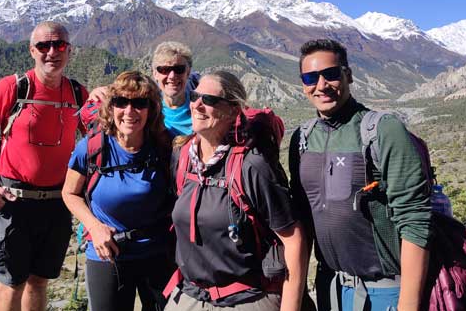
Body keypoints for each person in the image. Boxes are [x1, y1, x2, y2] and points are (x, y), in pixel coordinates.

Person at [289, 39, 432, 311]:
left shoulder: (383, 130)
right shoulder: (302, 138)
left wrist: (408, 305)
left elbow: (414, 219)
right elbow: (302, 219)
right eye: (310, 77)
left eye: (331, 74)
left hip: (385, 291)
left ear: (348, 75)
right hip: (329, 288)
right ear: (303, 84)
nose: (321, 85)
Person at [0, 21, 88, 311]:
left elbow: (94, 140)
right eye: (44, 46)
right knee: (11, 283)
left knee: (39, 281)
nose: (51, 52)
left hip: (57, 203)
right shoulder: (14, 87)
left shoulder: (77, 93)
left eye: (59, 45)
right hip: (14, 202)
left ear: (69, 51)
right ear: (32, 50)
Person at [164, 71, 308, 311]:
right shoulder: (182, 158)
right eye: (194, 96)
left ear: (232, 111)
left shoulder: (251, 166)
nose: (197, 104)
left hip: (245, 300)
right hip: (189, 296)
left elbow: (293, 238)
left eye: (209, 100)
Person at [62, 70, 174, 311]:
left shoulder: (165, 147)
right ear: (111, 107)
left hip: (157, 253)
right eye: (121, 102)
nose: (129, 111)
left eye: (140, 103)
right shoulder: (92, 147)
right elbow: (69, 193)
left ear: (151, 109)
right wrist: (94, 226)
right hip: (107, 253)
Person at [83, 41, 197, 137]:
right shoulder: (145, 102)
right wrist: (97, 93)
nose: (172, 76)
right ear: (155, 74)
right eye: (164, 69)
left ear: (188, 72)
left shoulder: (202, 105)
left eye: (179, 69)